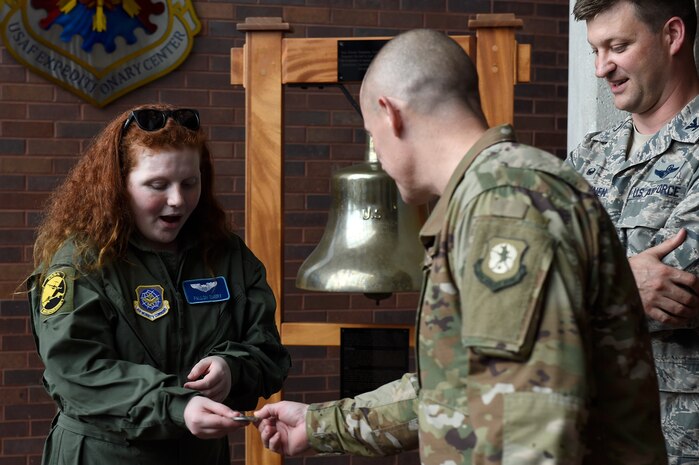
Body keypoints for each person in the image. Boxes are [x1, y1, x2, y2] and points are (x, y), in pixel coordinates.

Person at [253, 29, 667, 464]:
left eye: (370, 132)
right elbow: (459, 388)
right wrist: (320, 424)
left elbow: (527, 432)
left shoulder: (504, 207)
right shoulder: (489, 197)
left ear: (389, 115)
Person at [26, 104, 291, 465]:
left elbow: (268, 351)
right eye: (157, 185)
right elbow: (75, 372)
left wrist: (232, 369)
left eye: (189, 182)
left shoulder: (225, 254)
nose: (178, 199)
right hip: (103, 455)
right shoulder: (80, 263)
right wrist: (177, 406)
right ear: (118, 186)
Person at [567, 1, 699, 461]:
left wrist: (578, 285)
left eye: (617, 46)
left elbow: (677, 290)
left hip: (679, 441)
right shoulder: (590, 155)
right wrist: (625, 285)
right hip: (589, 432)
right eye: (594, 51)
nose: (603, 67)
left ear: (673, 35)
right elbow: (534, 271)